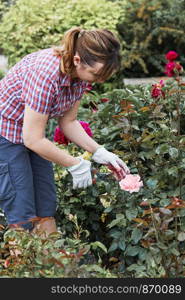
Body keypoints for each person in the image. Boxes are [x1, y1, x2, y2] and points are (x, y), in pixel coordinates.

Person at [0, 27, 130, 237]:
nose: (98, 81)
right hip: (5, 134)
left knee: (46, 206)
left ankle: (57, 267)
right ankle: (21, 267)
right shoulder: (45, 74)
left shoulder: (79, 77)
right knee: (21, 213)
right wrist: (74, 164)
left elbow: (68, 121)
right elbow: (32, 139)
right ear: (78, 60)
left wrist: (99, 152)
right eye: (96, 74)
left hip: (33, 133)